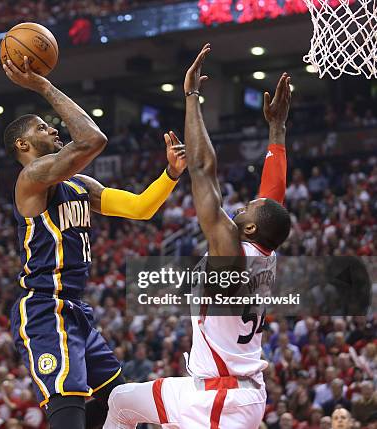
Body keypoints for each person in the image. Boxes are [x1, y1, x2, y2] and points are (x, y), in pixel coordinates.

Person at [104, 45, 292, 429]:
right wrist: (277, 131)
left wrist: (191, 98)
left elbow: (204, 170)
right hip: (215, 391)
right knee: (122, 400)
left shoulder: (232, 254)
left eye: (244, 211)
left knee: (125, 403)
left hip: (222, 401)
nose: (238, 209)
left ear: (251, 227)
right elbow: (273, 197)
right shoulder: (263, 249)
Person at [2, 56, 188, 429]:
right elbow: (92, 139)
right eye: (42, 128)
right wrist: (42, 85)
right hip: (44, 308)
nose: (53, 129)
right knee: (69, 408)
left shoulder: (79, 186)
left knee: (115, 404)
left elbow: (139, 209)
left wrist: (170, 174)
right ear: (23, 144)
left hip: (76, 311)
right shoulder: (32, 179)